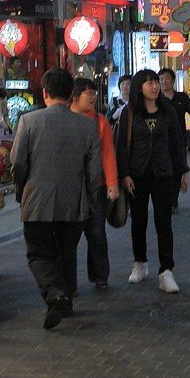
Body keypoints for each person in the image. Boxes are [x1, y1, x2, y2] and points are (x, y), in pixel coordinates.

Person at [11, 68, 102, 329]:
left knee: (39, 253)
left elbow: (17, 163)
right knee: (66, 251)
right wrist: (90, 196)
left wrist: (22, 188)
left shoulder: (29, 121)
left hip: (38, 200)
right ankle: (67, 298)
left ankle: (55, 294)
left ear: (45, 92)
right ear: (71, 93)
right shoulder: (87, 125)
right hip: (74, 202)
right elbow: (94, 171)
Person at [117, 69, 190, 293]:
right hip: (137, 175)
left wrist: (183, 171)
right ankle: (140, 263)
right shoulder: (129, 113)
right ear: (140, 87)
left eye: (155, 82)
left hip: (163, 174)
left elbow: (177, 142)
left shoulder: (167, 111)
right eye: (148, 83)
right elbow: (121, 146)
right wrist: (124, 174)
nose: (154, 86)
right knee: (138, 221)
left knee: (163, 223)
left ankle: (166, 271)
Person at [72, 77, 120, 291]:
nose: (92, 96)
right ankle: (68, 282)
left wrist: (112, 183)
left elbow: (108, 153)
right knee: (69, 237)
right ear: (75, 97)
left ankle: (100, 276)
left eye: (93, 92)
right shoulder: (66, 119)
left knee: (97, 233)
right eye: (87, 92)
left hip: (96, 187)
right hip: (71, 188)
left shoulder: (101, 121)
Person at [158, 68, 190, 145]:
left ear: (173, 80)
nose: (164, 81)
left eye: (167, 78)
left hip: (180, 137)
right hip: (161, 139)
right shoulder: (156, 99)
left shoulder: (182, 96)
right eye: (161, 79)